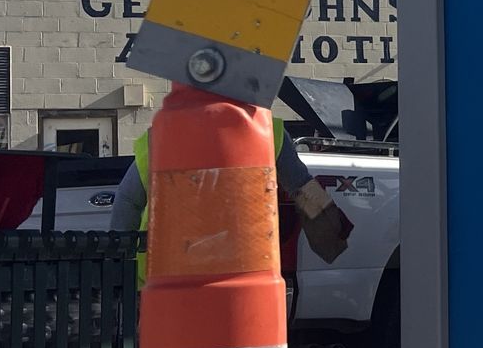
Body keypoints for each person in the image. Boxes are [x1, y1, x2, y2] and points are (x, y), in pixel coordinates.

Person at [110, 118, 353, 287]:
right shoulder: (268, 130)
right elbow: (303, 188)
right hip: (241, 275)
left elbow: (128, 201)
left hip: (163, 278)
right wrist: (332, 234)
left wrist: (120, 268)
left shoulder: (164, 135)